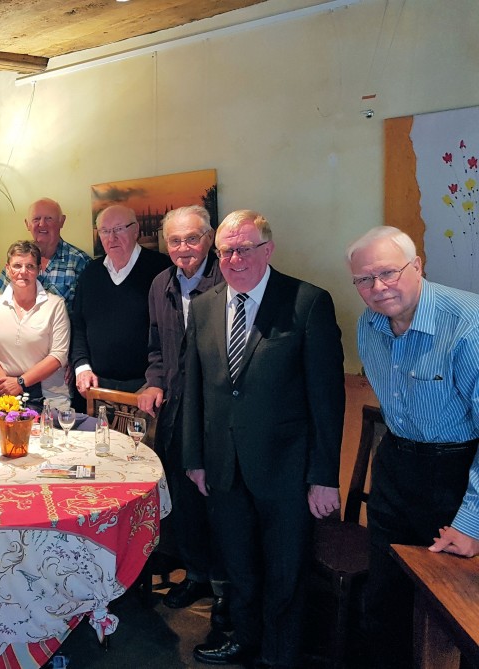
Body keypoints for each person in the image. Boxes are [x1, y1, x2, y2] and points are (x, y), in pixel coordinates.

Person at [183, 210, 344, 668]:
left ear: (267, 250)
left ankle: (279, 655)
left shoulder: (308, 302)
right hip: (223, 465)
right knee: (239, 566)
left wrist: (323, 476)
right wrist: (195, 458)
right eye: (226, 250)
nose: (234, 259)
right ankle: (246, 639)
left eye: (244, 248)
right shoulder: (206, 304)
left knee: (285, 570)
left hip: (287, 470)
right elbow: (195, 388)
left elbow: (327, 400)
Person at [346, 225, 479, 669]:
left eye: (388, 272)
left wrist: (472, 521)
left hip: (458, 475)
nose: (377, 288)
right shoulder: (370, 323)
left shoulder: (468, 326)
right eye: (364, 279)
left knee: (454, 613)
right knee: (386, 601)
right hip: (396, 464)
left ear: (417, 266)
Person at [137, 206, 229, 626]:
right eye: (174, 241)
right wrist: (153, 381)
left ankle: (226, 585)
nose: (182, 248)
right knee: (187, 500)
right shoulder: (161, 283)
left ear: (209, 239)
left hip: (219, 413)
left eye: (191, 239)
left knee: (222, 501)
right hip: (175, 409)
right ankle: (195, 574)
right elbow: (156, 346)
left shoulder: (229, 278)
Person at [71, 205, 172, 397]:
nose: (112, 237)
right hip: (97, 385)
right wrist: (81, 366)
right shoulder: (91, 272)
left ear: (136, 230)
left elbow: (169, 331)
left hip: (147, 388)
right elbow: (78, 325)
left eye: (119, 229)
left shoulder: (161, 269)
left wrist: (157, 381)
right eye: (105, 231)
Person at [0, 240, 70, 409]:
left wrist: (21, 382)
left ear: (39, 269)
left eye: (30, 266)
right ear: (8, 269)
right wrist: (7, 387)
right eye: (17, 266)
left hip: (48, 398)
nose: (23, 272)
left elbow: (59, 355)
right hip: (6, 397)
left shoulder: (55, 305)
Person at [0, 198, 90, 313]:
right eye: (36, 219)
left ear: (62, 221)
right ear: (27, 224)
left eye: (49, 218)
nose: (42, 224)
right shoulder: (16, 260)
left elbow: (86, 316)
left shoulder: (80, 262)